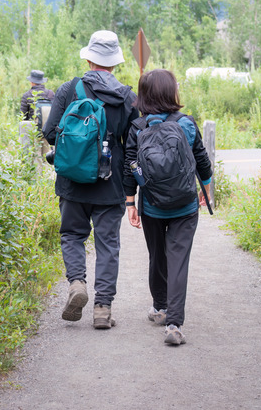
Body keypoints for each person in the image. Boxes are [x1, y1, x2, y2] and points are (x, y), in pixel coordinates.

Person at [43, 31, 139, 329]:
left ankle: (76, 284)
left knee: (72, 235)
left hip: (72, 181)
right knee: (108, 244)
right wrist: (130, 188)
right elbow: (134, 141)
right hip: (110, 185)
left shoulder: (69, 89)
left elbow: (49, 134)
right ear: (115, 63)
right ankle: (102, 309)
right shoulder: (126, 96)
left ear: (88, 58)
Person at [123, 69, 213, 345]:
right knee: (178, 260)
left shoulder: (138, 128)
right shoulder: (186, 123)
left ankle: (160, 307)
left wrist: (130, 203)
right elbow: (202, 160)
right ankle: (174, 324)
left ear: (144, 94)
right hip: (185, 205)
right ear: (171, 92)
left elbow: (129, 166)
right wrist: (205, 190)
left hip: (152, 205)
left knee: (157, 256)